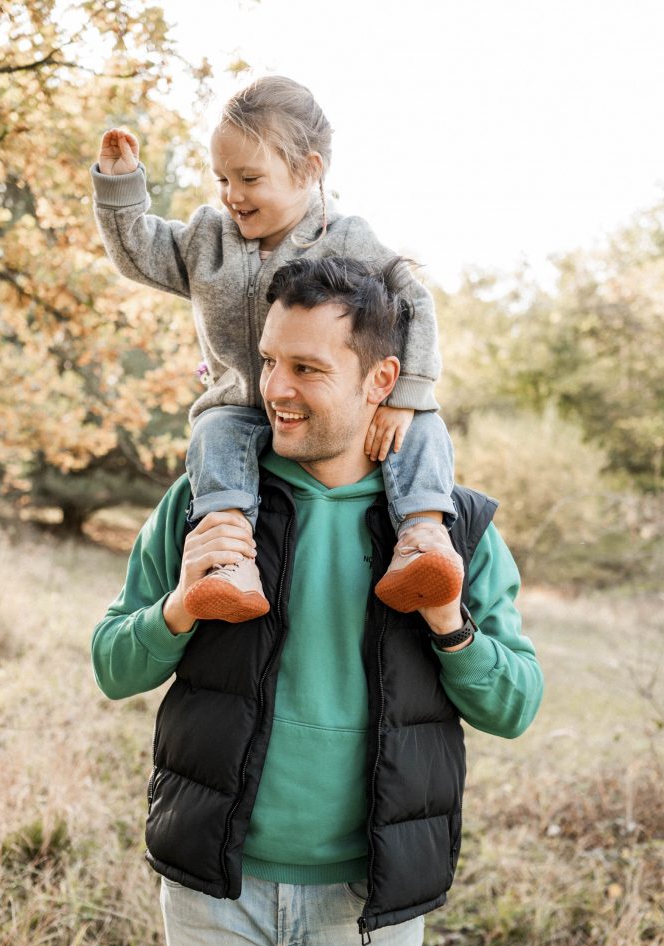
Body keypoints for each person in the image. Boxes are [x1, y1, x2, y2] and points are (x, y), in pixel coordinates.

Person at [92, 256, 544, 946]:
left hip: (368, 899)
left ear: (381, 379)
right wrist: (176, 608)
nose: (273, 389)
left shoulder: (450, 526)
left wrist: (446, 620)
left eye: (305, 367)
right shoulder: (210, 502)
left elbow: (515, 706)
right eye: (268, 361)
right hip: (216, 893)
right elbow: (111, 663)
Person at [91, 75, 462, 625]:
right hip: (241, 403)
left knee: (421, 428)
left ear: (310, 171)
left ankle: (422, 540)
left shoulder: (346, 240)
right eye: (221, 178)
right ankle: (231, 561)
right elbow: (140, 252)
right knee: (212, 433)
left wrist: (407, 393)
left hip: (330, 406)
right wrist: (121, 188)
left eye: (249, 178)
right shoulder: (206, 239)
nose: (231, 194)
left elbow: (413, 301)